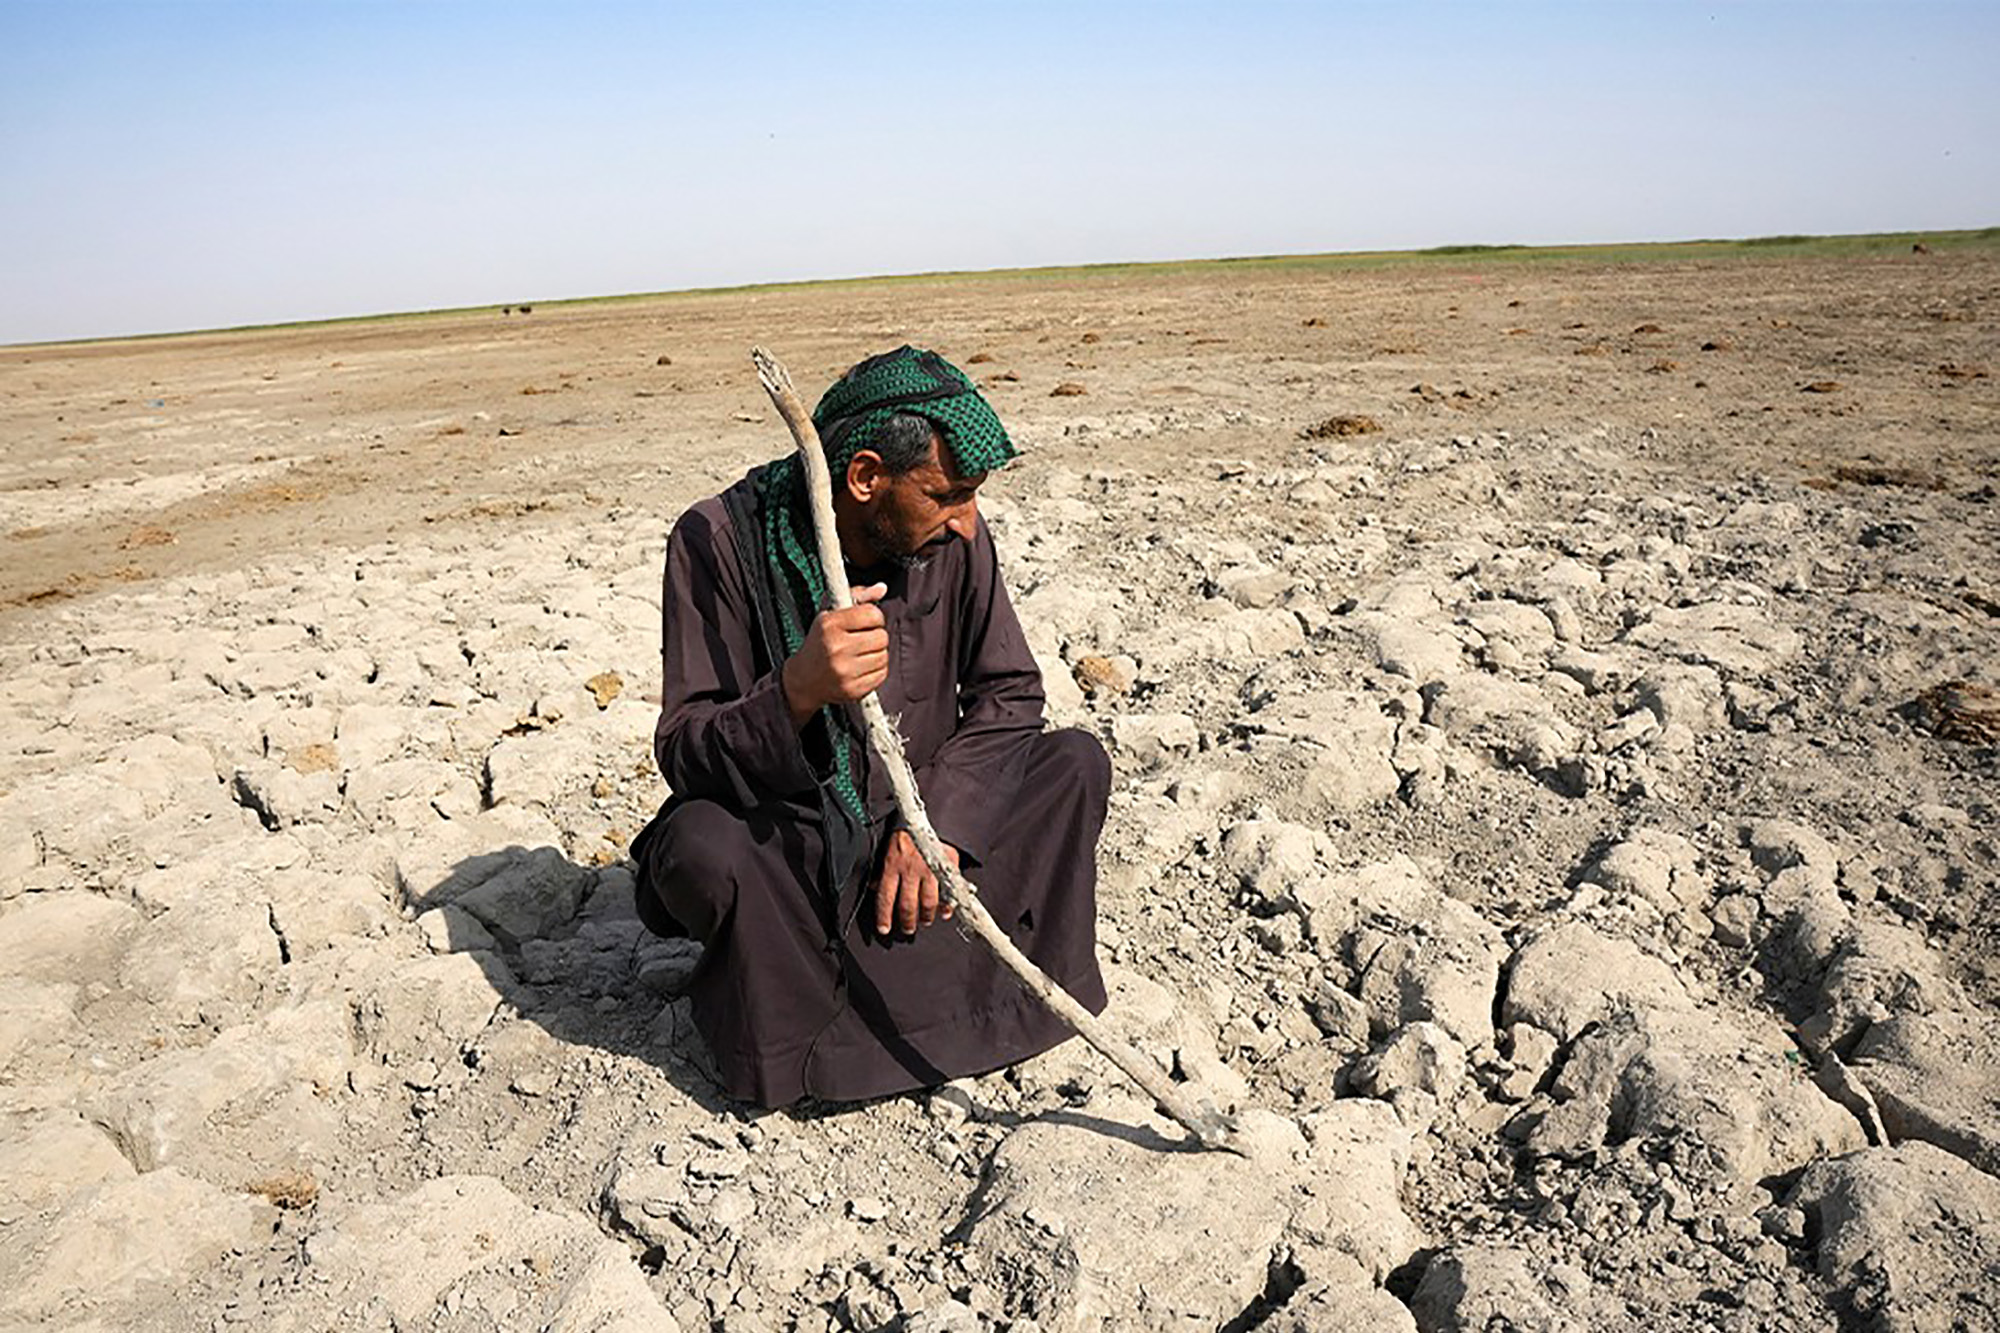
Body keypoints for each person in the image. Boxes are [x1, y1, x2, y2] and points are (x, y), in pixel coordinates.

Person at [631, 345, 1110, 1108]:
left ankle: (966, 996)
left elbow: (1010, 691)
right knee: (700, 848)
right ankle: (814, 1038)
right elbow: (687, 752)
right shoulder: (715, 539)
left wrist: (941, 828)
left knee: (1075, 764)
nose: (966, 521)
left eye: (972, 497)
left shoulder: (954, 536)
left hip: (922, 837)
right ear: (863, 479)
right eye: (948, 495)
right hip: (799, 847)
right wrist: (794, 690)